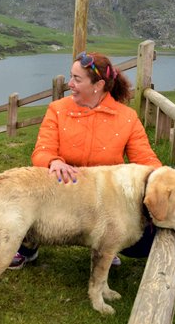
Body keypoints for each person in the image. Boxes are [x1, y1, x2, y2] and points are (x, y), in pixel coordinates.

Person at [10, 51, 162, 269]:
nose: (70, 84)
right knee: (26, 194)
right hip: (63, 191)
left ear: (98, 85)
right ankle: (28, 244)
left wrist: (162, 181)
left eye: (77, 79)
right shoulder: (57, 110)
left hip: (105, 198)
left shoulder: (127, 118)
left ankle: (107, 245)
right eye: (71, 76)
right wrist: (53, 161)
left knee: (146, 240)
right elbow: (42, 150)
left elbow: (146, 160)